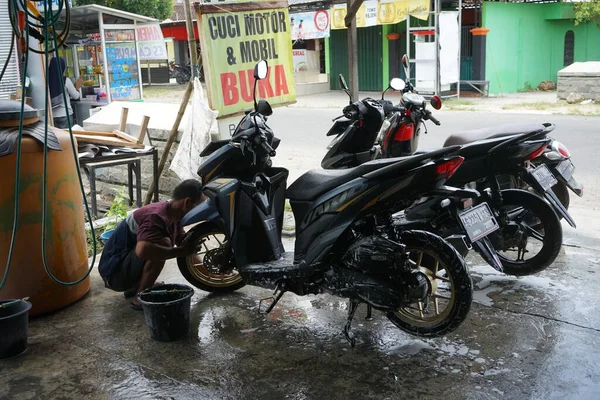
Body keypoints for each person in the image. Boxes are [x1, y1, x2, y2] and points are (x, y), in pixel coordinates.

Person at [98, 179, 205, 310]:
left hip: (123, 266)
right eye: (199, 206)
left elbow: (184, 245)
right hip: (114, 275)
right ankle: (140, 299)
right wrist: (181, 251)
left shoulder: (174, 214)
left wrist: (209, 273)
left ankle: (137, 286)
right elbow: (143, 251)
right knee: (162, 245)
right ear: (187, 202)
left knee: (164, 245)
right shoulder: (156, 216)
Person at [48, 57, 83, 129]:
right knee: (66, 138)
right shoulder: (65, 80)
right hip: (65, 114)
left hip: (51, 116)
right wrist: (77, 87)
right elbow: (76, 96)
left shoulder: (46, 81)